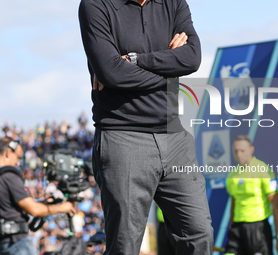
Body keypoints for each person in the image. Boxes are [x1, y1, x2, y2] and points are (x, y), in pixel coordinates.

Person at [78, 0, 214, 254]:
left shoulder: (173, 3)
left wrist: (134, 60)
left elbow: (192, 58)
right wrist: (170, 67)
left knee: (199, 235)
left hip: (175, 138)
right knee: (124, 246)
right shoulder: (95, 5)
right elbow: (111, 73)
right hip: (123, 136)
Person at [0, 137, 76, 255]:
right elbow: (34, 210)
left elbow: (9, 208)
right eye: (18, 157)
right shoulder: (9, 176)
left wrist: (42, 203)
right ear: (9, 152)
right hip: (16, 244)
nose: (18, 163)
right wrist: (63, 207)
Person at [224, 135, 278, 255]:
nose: (239, 154)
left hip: (258, 228)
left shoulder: (263, 169)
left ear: (251, 150)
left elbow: (276, 204)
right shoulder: (232, 174)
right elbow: (233, 203)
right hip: (237, 228)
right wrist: (232, 226)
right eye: (236, 151)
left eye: (242, 151)